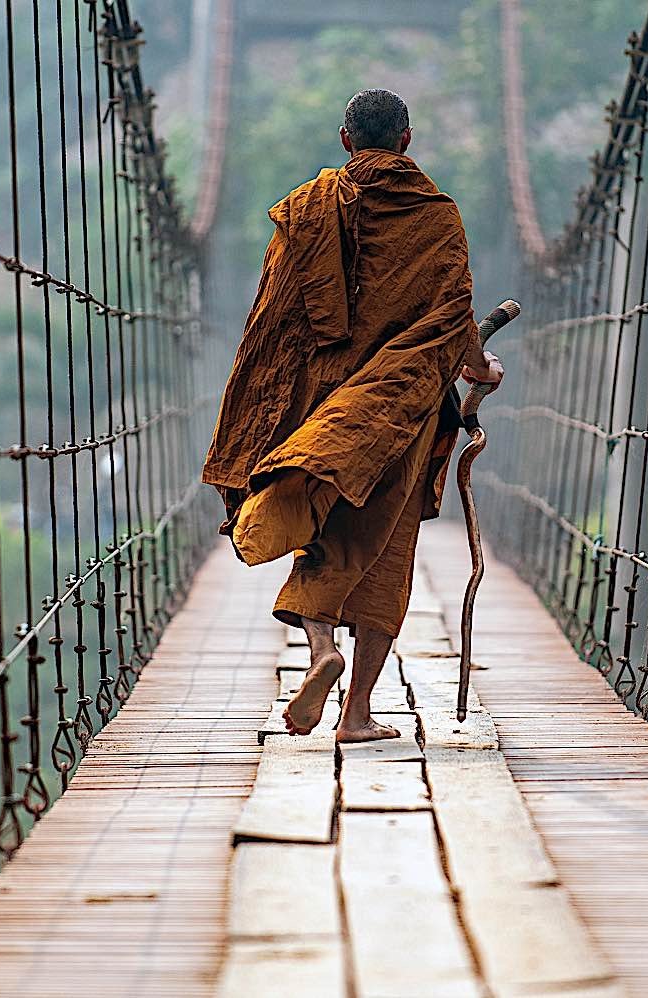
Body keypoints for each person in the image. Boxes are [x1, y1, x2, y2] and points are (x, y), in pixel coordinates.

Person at [201, 88, 502, 743]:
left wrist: (264, 404)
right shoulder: (437, 214)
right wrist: (479, 369)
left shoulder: (310, 208)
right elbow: (455, 314)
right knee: (385, 551)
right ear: (407, 140)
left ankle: (319, 654)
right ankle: (358, 713)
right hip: (399, 409)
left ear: (345, 140)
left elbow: (273, 316)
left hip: (325, 406)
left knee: (321, 532)